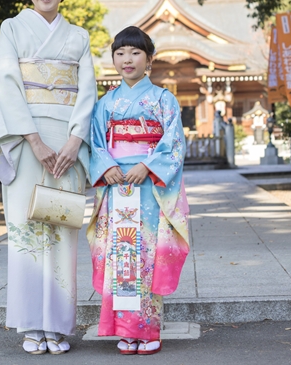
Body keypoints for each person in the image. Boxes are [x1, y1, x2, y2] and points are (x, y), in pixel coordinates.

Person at [0, 0, 97, 355]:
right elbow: (4, 84)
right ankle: (32, 324)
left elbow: (87, 94)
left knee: (62, 231)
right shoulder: (12, 29)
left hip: (66, 144)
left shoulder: (79, 37)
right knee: (27, 231)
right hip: (27, 142)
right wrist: (34, 139)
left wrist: (74, 141)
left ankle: (58, 326)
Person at [88, 26, 190, 356]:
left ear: (149, 59)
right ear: (113, 59)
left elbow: (174, 142)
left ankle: (147, 328)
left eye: (135, 52)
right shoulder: (105, 104)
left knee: (146, 255)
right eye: (120, 53)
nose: (127, 59)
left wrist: (147, 166)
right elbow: (96, 144)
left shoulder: (164, 99)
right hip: (117, 185)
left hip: (149, 189)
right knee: (120, 255)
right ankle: (124, 329)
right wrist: (107, 167)